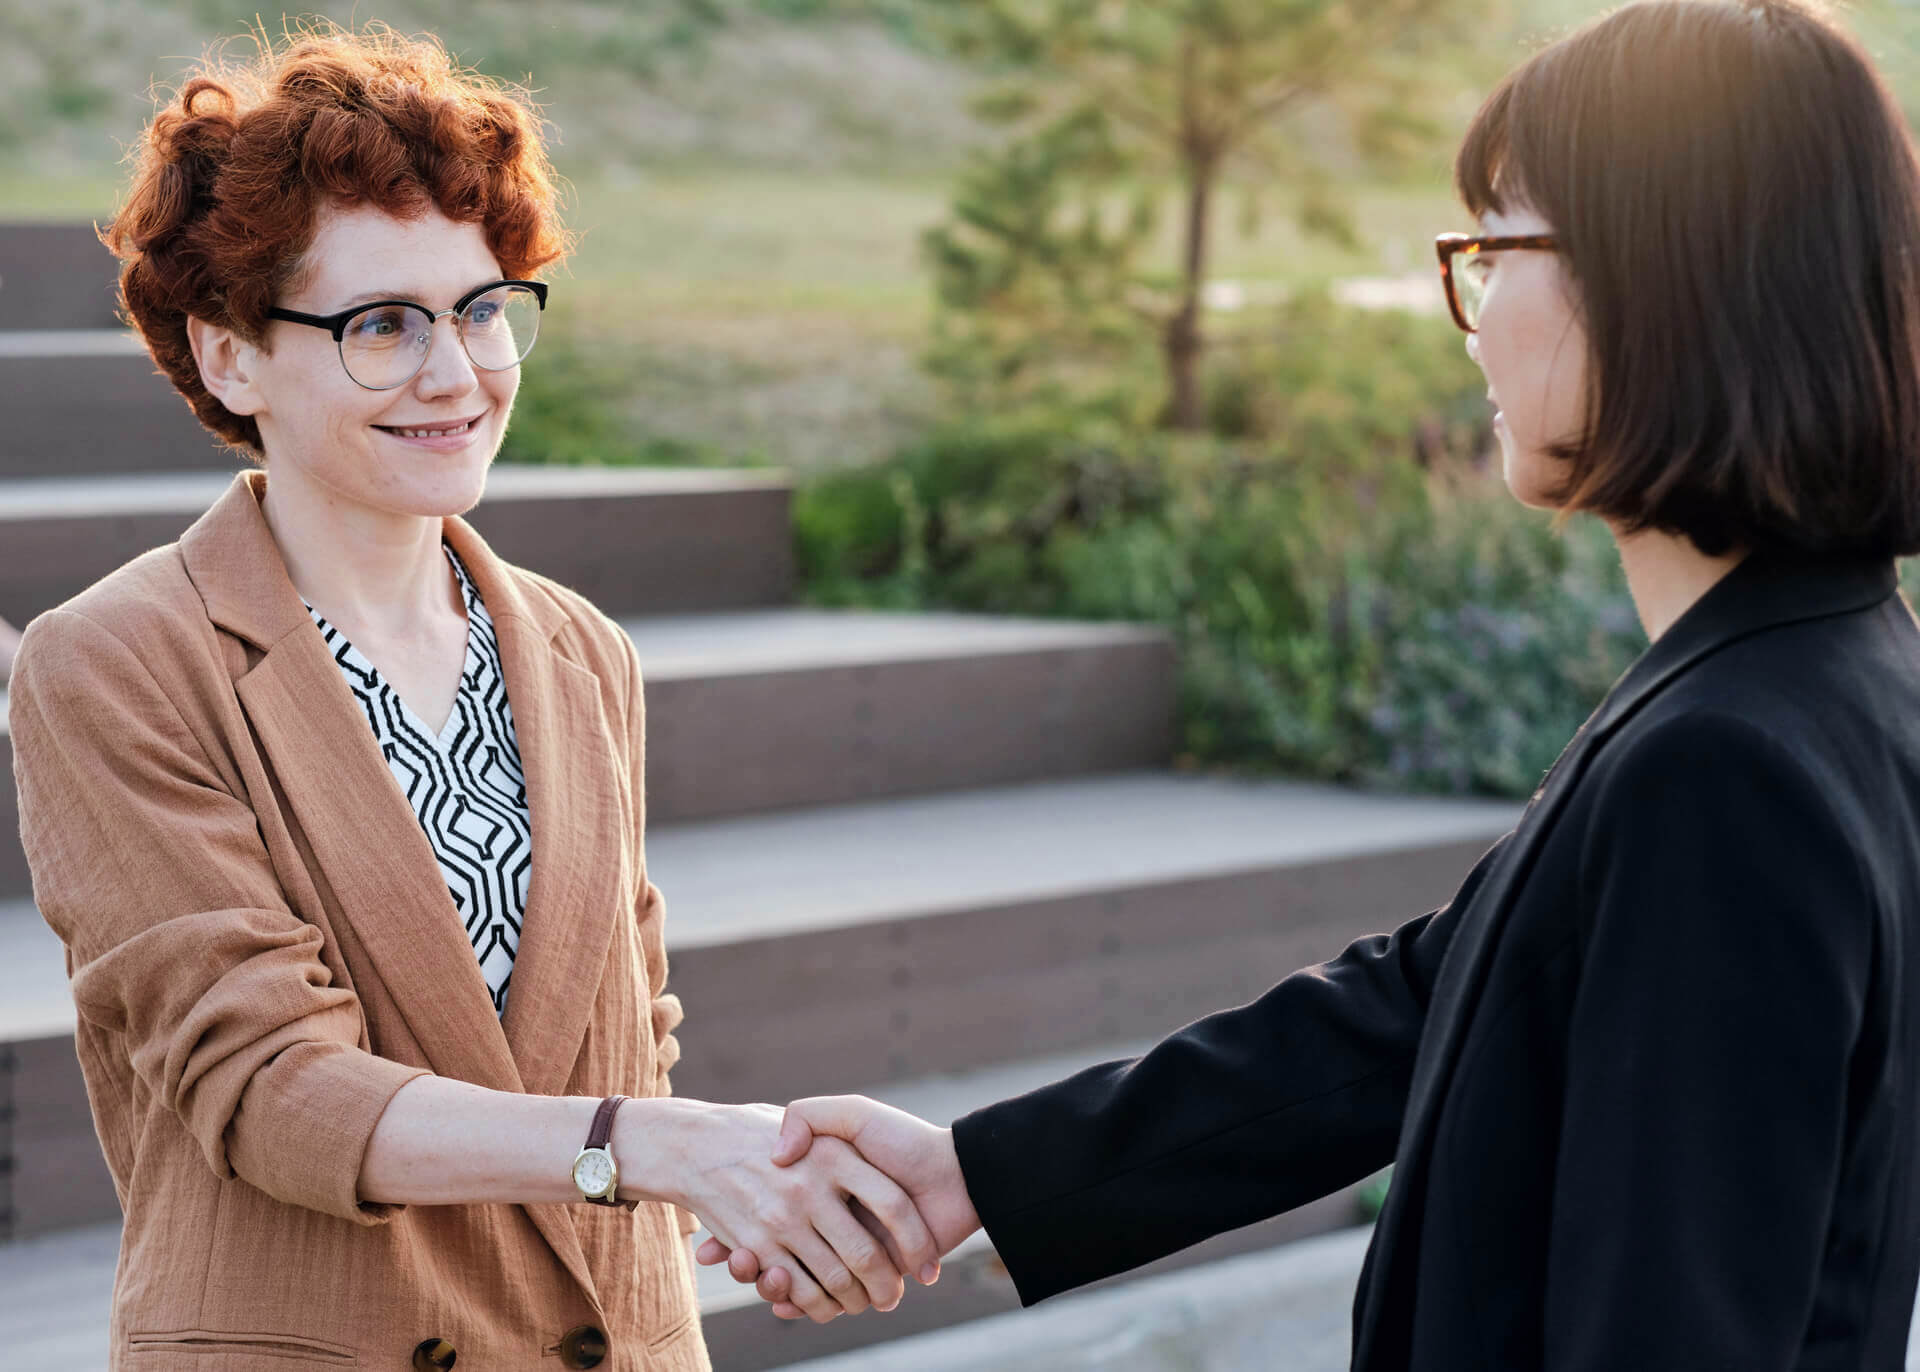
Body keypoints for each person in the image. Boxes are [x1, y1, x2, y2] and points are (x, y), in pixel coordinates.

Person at [703, 1, 1920, 1365]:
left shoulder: (1728, 765)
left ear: (1664, 281)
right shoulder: (1822, 676)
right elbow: (1420, 1010)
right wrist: (976, 1175)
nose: (1467, 321)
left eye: (1496, 246)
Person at [5, 26, 941, 1370]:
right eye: (381, 324)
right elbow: (269, 1092)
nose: (458, 375)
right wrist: (651, 1148)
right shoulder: (118, 659)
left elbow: (629, 1024)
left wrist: (754, 1201)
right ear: (230, 359)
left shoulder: (577, 650)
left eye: (483, 309)